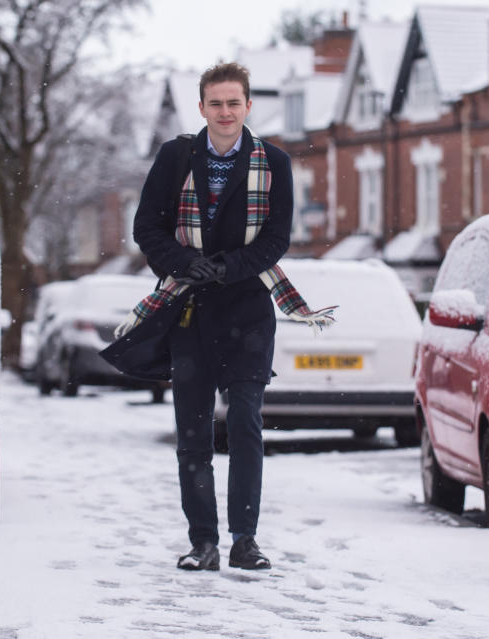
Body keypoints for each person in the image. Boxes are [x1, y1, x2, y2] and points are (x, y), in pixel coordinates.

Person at [101, 62, 333, 571]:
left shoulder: (274, 162)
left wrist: (226, 267)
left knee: (246, 423)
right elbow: (148, 227)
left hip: (249, 309)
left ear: (248, 106)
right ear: (201, 107)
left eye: (234, 103)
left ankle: (244, 539)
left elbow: (276, 240)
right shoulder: (176, 156)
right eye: (216, 103)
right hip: (188, 310)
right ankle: (202, 541)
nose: (225, 112)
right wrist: (186, 263)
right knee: (194, 432)